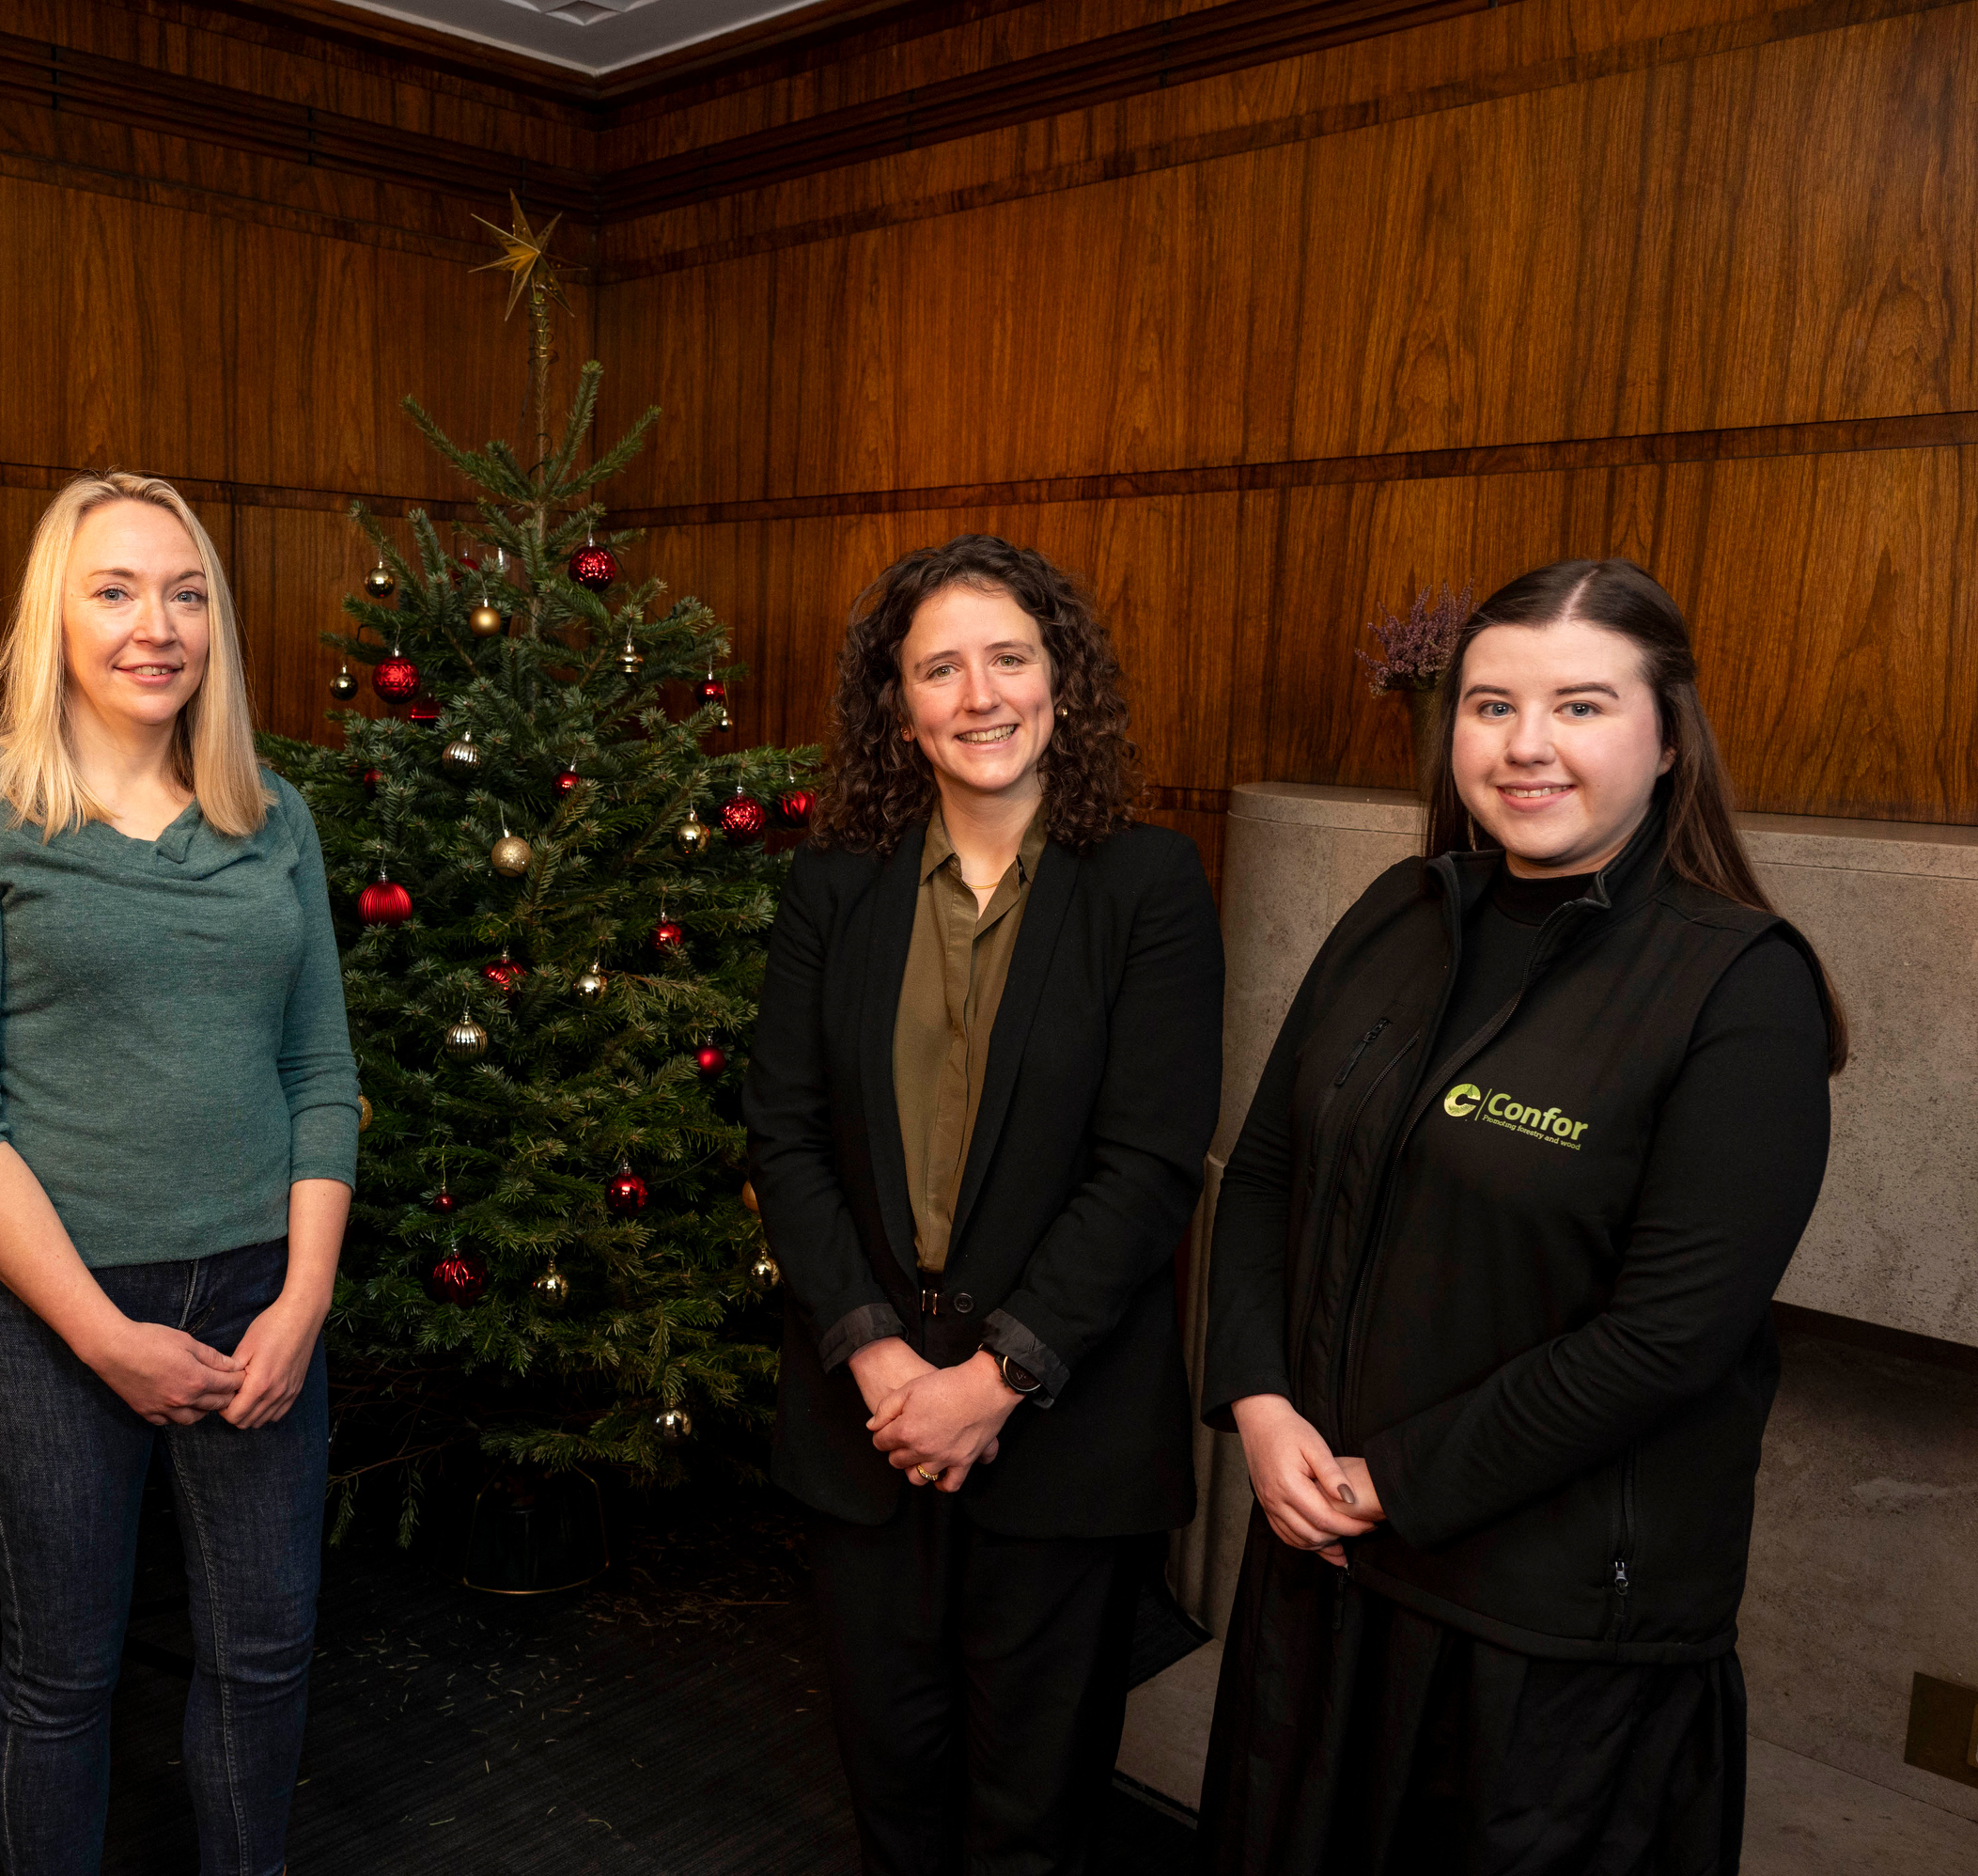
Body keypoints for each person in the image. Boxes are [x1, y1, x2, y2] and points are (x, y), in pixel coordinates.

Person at [1197, 558, 1846, 1875]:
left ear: (1670, 740)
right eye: (1492, 705)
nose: (1527, 746)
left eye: (1583, 706)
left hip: (1538, 1643)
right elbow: (1263, 1173)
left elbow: (1669, 1337)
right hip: (1320, 1570)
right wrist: (1259, 1407)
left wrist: (1393, 1480)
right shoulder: (1399, 911)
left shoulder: (1739, 986)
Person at [0, 472, 356, 1876]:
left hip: (261, 1301)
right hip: (54, 1322)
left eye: (187, 592)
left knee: (266, 1655)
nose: (158, 626)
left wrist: (304, 1301)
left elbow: (320, 1075)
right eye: (115, 590)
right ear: (57, 616)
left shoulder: (272, 814)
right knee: (63, 1674)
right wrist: (102, 1337)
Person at [743, 534, 1224, 1873]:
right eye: (938, 669)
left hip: (1059, 1440)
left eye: (1008, 658)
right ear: (897, 706)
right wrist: (882, 1356)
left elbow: (1150, 1165)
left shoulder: (1149, 885)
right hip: (868, 1423)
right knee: (891, 1788)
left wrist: (995, 1377)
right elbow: (782, 1133)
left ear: (1061, 680)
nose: (979, 696)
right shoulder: (835, 885)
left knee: (1034, 1811)